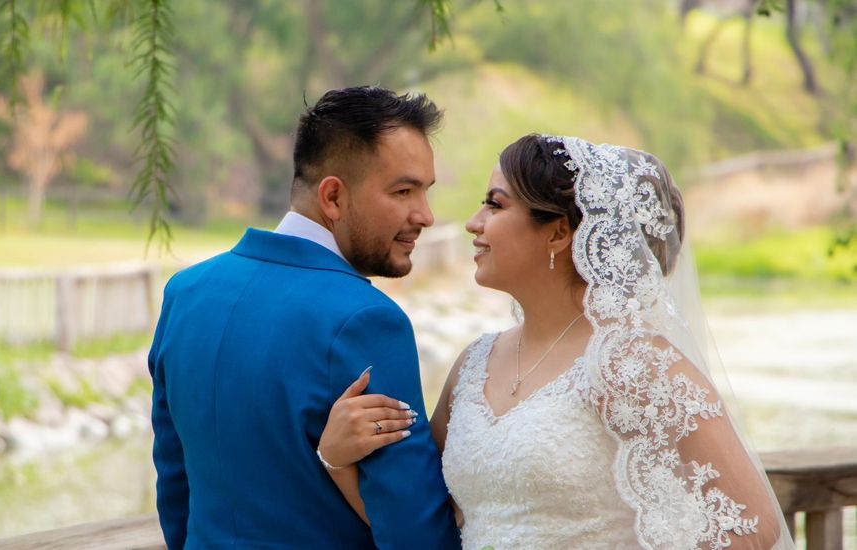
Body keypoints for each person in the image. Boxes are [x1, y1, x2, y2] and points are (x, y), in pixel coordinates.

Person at [318, 134, 796, 549]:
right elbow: (426, 519)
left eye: (495, 203)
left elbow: (751, 524)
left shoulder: (635, 362)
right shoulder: (474, 363)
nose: (473, 222)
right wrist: (337, 461)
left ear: (559, 232)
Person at [148, 86, 460, 549]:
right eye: (403, 191)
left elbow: (175, 490)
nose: (426, 216)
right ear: (333, 196)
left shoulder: (187, 292)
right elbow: (415, 533)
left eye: (426, 191)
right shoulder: (367, 321)